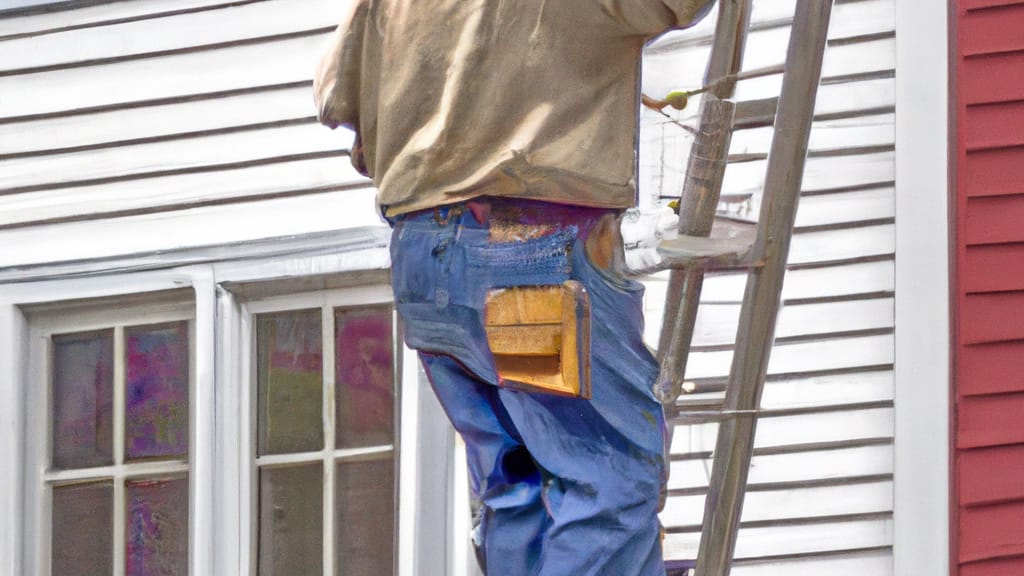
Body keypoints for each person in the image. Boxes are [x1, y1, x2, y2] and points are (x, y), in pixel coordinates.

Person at [314, 2, 714, 574]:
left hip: (423, 254)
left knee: (515, 484)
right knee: (606, 478)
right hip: (523, 248)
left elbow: (336, 97)